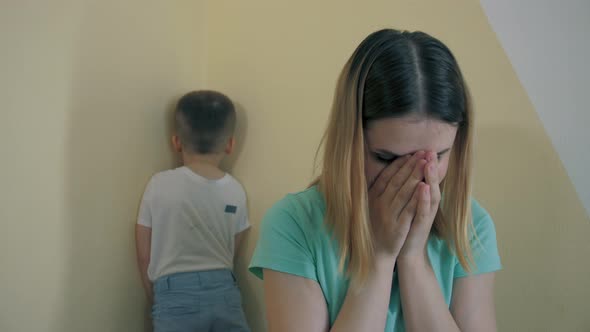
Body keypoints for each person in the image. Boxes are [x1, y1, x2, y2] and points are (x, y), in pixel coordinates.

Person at [249, 29, 502, 331]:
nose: (415, 180)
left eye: (438, 157)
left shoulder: (470, 224)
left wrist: (412, 257)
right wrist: (381, 257)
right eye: (387, 159)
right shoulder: (294, 224)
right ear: (350, 141)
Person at [135, 90, 251, 332]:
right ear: (230, 145)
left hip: (174, 293)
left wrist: (154, 295)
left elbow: (144, 253)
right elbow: (234, 248)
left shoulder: (159, 184)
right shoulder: (236, 191)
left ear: (176, 141)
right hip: (225, 291)